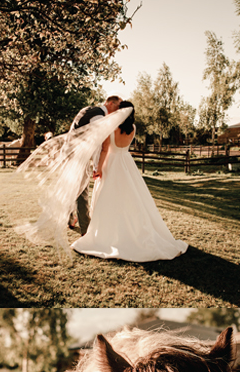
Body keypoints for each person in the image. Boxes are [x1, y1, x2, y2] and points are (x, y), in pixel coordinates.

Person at [71, 101, 188, 262]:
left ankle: (108, 234)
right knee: (131, 198)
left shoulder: (111, 127)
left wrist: (98, 168)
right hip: (126, 163)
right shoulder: (133, 128)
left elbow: (105, 149)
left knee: (108, 198)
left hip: (111, 164)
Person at [68, 95, 121, 235]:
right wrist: (97, 166)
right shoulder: (99, 117)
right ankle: (85, 229)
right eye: (117, 106)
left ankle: (70, 218)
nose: (118, 110)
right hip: (78, 156)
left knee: (76, 189)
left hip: (72, 152)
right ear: (110, 103)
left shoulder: (89, 109)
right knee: (82, 191)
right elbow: (98, 143)